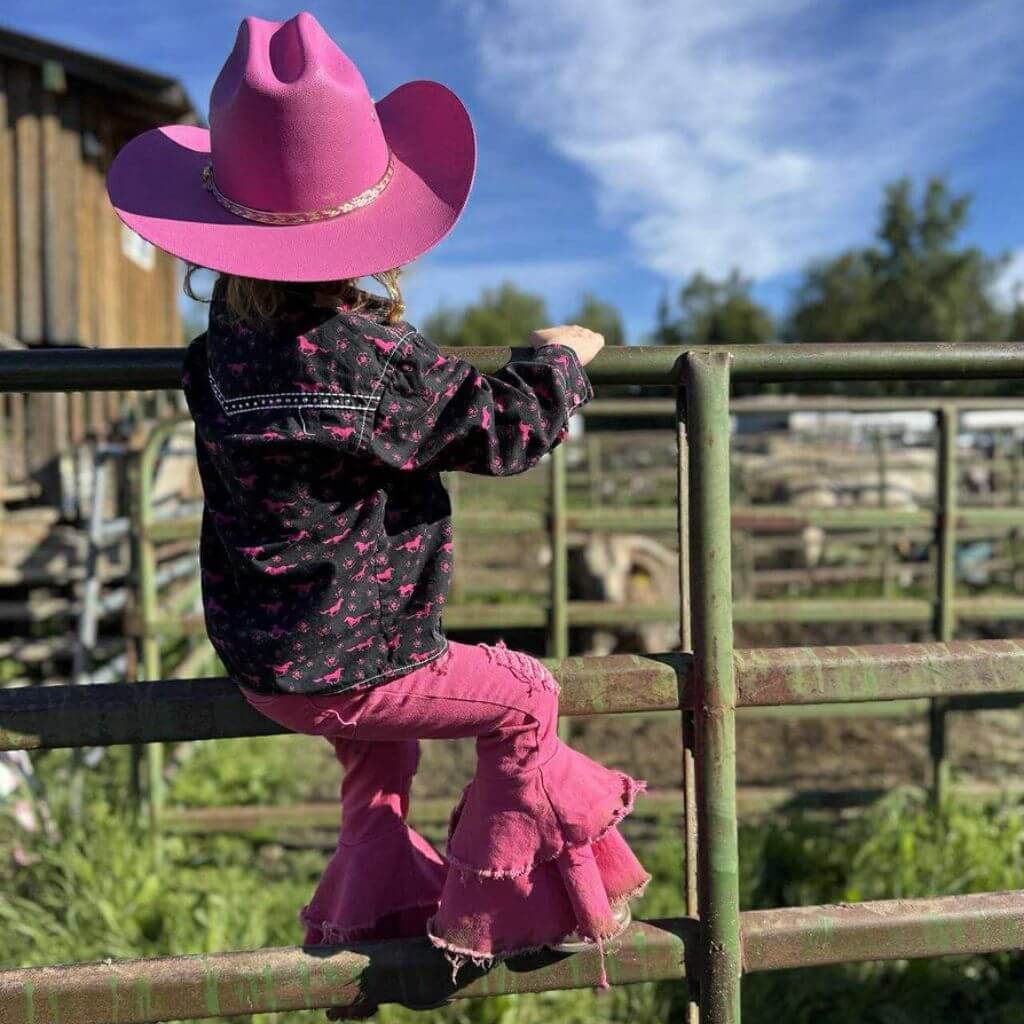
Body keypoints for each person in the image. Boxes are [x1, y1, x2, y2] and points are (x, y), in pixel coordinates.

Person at [107, 11, 649, 1012]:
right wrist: (559, 357)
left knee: (381, 768)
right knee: (527, 694)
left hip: (263, 657)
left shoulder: (216, 355)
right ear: (370, 228)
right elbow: (506, 431)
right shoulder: (376, 361)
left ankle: (374, 921)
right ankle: (499, 905)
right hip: (358, 662)